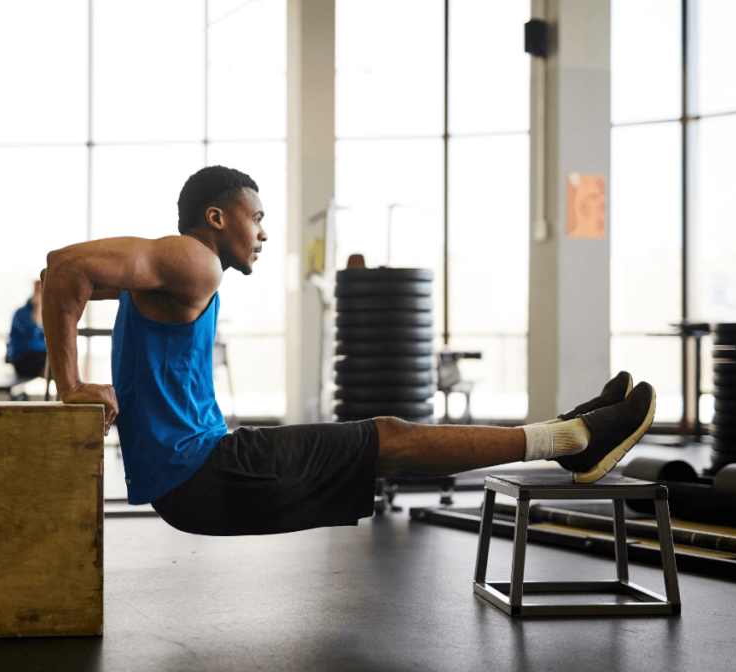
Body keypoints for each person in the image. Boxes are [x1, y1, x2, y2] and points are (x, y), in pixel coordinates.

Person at [40, 166, 656, 536]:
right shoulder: (193, 258)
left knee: (388, 446)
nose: (262, 233)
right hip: (204, 471)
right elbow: (65, 267)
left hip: (196, 474)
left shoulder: (174, 276)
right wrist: (72, 386)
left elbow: (76, 281)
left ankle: (571, 437)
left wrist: (91, 378)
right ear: (217, 217)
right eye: (256, 218)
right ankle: (572, 440)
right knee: (392, 438)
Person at [9, 280, 48, 378]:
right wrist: (37, 311)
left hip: (42, 357)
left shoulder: (48, 314)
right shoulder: (20, 314)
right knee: (52, 365)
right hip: (24, 359)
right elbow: (31, 337)